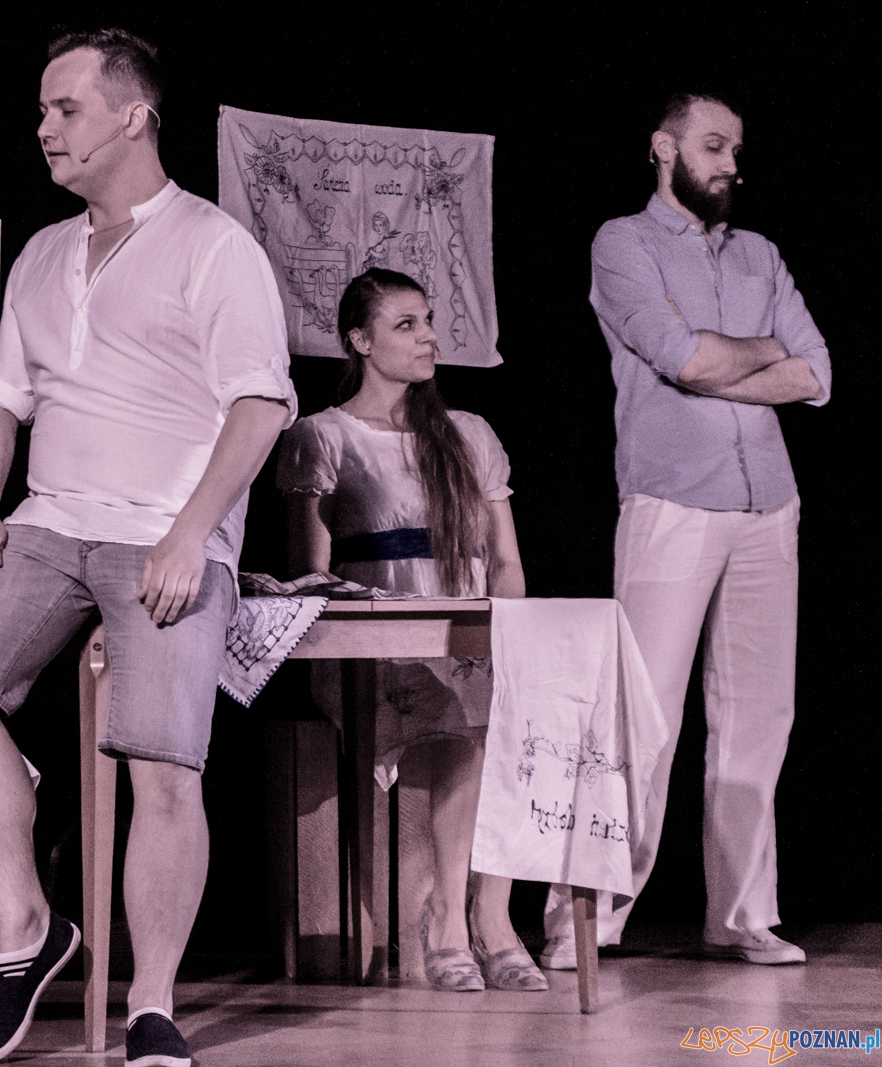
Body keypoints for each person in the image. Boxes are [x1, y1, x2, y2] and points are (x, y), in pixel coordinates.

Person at [0, 28, 296, 1067]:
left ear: (134, 116)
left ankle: (152, 1003)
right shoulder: (43, 252)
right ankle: (27, 928)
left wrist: (190, 533)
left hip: (163, 527)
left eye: (66, 108)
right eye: (42, 109)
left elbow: (259, 405)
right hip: (50, 520)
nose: (44, 127)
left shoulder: (213, 244)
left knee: (160, 760)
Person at [540, 92, 831, 970]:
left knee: (759, 718)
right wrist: (754, 352)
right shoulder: (623, 243)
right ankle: (587, 918)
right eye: (713, 146)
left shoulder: (759, 253)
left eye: (736, 149)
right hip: (671, 501)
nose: (731, 164)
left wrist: (723, 362)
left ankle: (741, 914)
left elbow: (816, 373)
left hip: (768, 502)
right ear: (664, 149)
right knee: (642, 715)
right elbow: (681, 356)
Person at [277, 268, 547, 993]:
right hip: (373, 642)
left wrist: (506, 639)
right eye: (407, 324)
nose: (429, 337)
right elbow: (310, 575)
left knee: (511, 716)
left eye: (429, 321)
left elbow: (507, 562)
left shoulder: (470, 434)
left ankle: (490, 916)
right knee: (454, 720)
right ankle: (453, 922)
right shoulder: (322, 435)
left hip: (467, 632)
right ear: (360, 341)